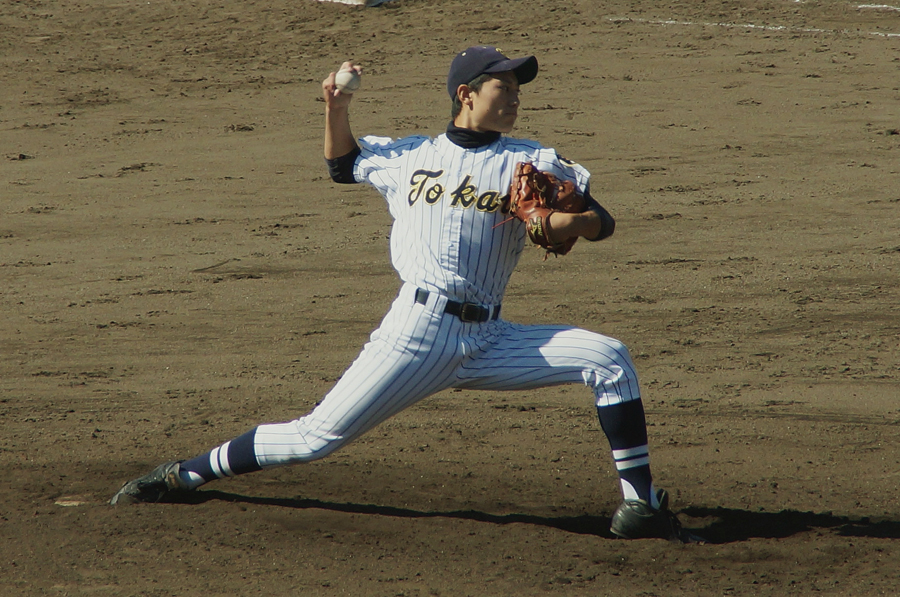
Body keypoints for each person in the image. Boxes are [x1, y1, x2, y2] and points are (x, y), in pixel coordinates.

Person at [110, 45, 700, 543]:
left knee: (609, 359)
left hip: (489, 336)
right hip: (415, 336)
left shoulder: (535, 160)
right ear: (466, 93)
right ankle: (182, 475)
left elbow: (603, 222)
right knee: (314, 439)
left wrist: (568, 223)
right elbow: (343, 165)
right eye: (504, 84)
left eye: (520, 86)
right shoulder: (410, 154)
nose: (516, 95)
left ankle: (641, 503)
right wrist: (336, 108)